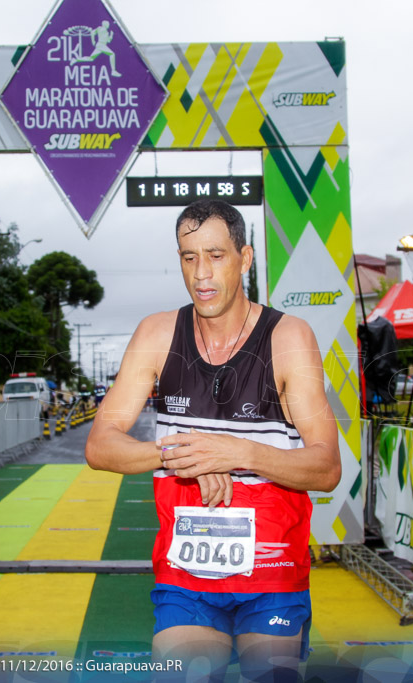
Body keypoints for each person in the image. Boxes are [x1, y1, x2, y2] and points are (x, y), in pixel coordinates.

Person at [85, 199, 341, 681]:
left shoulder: (289, 337)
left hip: (273, 572)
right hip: (186, 578)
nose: (201, 273)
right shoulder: (157, 333)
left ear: (245, 259)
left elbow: (326, 468)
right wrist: (188, 454)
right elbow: (101, 445)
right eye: (189, 257)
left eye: (216, 255)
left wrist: (239, 451)